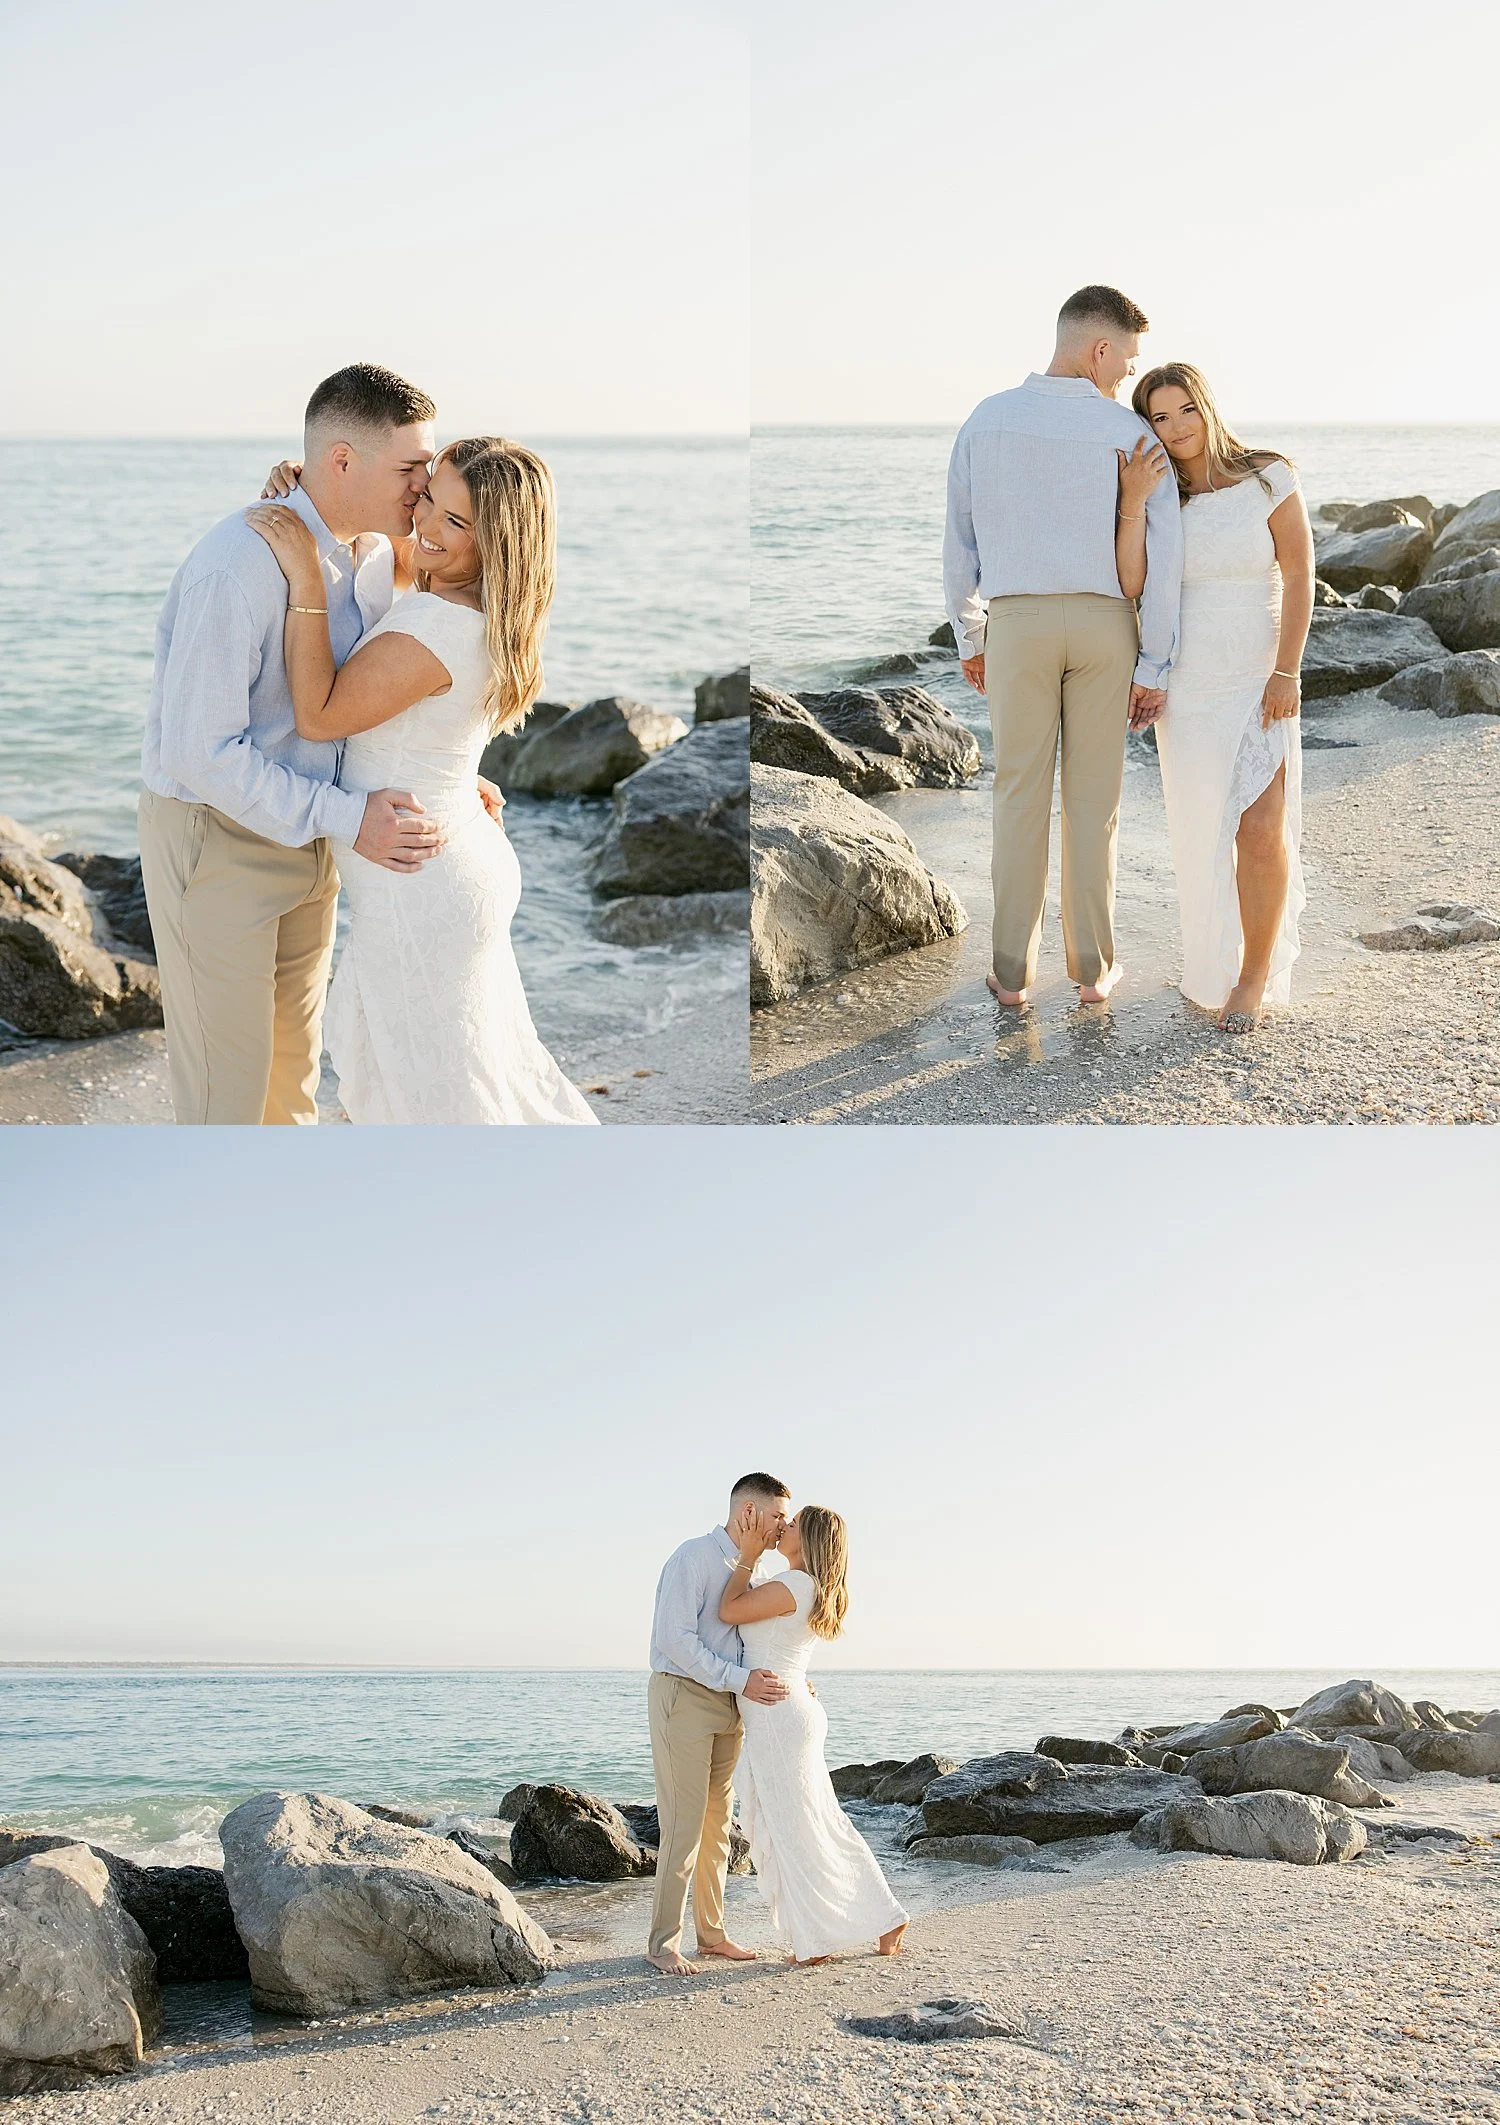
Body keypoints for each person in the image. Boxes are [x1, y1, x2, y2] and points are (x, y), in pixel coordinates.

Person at [138, 363, 477, 1124]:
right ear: (342, 462)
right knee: (225, 1100)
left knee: (291, 1088)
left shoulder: (376, 558)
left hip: (312, 838)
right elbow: (202, 754)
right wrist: (350, 817)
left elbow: (405, 679)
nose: (423, 490)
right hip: (217, 842)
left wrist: (455, 774)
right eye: (411, 469)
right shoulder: (238, 565)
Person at [246, 438, 598, 1124]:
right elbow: (383, 545)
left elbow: (317, 715)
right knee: (471, 1089)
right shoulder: (464, 594)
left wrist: (303, 574)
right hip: (445, 860)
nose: (428, 526)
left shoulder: (442, 624)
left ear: (498, 541)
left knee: (444, 1107)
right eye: (429, 498)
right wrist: (315, 496)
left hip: (426, 889)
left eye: (456, 521)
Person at [943, 285, 1184, 1006]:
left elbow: (960, 543)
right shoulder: (1131, 435)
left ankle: (1012, 976)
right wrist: (1157, 662)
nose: (1127, 378)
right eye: (1126, 361)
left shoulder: (985, 421)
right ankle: (1091, 970)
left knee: (1017, 794)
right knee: (1093, 801)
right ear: (1099, 347)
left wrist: (971, 632)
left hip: (1016, 625)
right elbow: (1163, 561)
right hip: (1108, 626)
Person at [1121, 363, 1314, 1029]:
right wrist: (1132, 495)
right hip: (1190, 689)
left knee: (1260, 831)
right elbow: (1133, 582)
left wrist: (1286, 672)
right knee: (1205, 834)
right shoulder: (1161, 499)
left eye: (1184, 411)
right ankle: (1212, 961)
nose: (1176, 429)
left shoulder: (1269, 475)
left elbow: (1299, 572)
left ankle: (1255, 974)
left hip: (1259, 680)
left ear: (1206, 406)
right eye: (1160, 418)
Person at [720, 1500, 908, 1966]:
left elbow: (728, 1610)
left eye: (794, 1524)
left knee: (797, 1830)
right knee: (815, 1824)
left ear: (811, 1541)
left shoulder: (794, 1584)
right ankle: (872, 1919)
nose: (783, 1527)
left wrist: (747, 1551)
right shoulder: (805, 1586)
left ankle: (821, 1940)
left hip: (780, 1720)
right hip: (787, 1713)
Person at [644, 1475, 793, 1976]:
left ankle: (712, 1934)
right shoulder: (693, 1557)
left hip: (732, 1703)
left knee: (717, 1827)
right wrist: (739, 1679)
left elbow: (755, 1641)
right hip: (683, 1697)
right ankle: (662, 1943)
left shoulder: (751, 1571)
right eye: (777, 1517)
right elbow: (676, 1639)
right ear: (748, 1512)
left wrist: (786, 1681)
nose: (784, 1527)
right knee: (683, 1826)